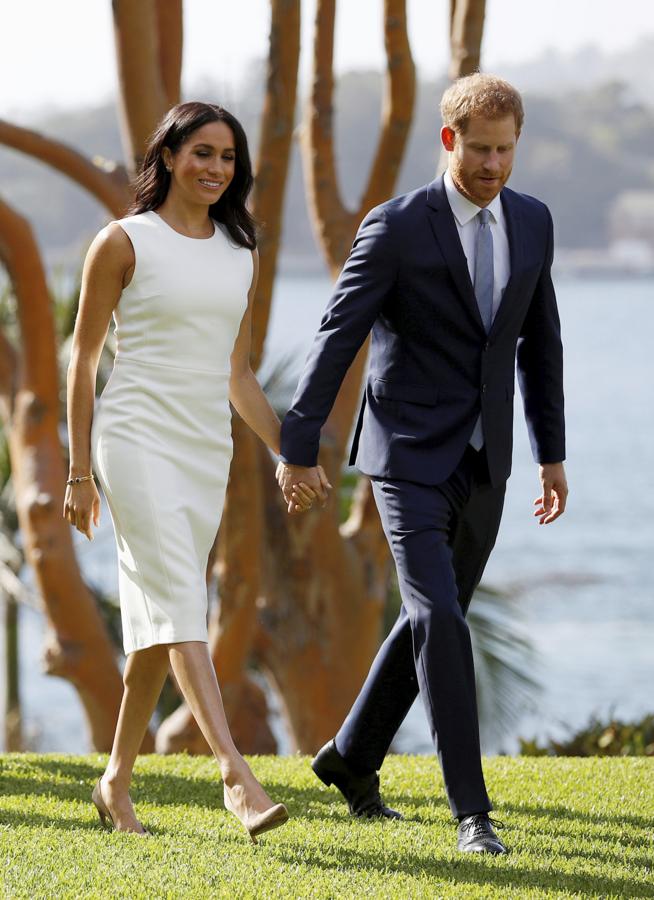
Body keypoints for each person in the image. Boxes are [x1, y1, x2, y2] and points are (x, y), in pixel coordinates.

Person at [277, 73, 568, 854]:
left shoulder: (534, 222)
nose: (494, 165)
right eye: (480, 150)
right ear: (450, 141)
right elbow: (339, 333)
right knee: (439, 618)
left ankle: (348, 759)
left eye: (506, 150)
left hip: (488, 462)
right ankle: (473, 813)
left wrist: (552, 455)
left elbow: (539, 345)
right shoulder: (397, 225)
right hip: (404, 457)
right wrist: (299, 444)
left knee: (430, 619)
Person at [64, 101, 328, 838]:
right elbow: (83, 363)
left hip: (202, 445)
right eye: (202, 153)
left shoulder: (239, 254)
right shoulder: (122, 242)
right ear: (171, 156)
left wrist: (289, 452)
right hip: (134, 437)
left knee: (160, 618)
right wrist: (79, 472)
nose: (215, 168)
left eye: (228, 158)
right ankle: (234, 774)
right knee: (182, 600)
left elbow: (237, 374)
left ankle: (115, 782)